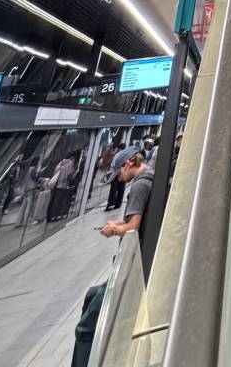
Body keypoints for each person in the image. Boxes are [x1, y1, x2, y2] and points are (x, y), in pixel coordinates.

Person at [73, 152, 155, 367]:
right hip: (135, 262)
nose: (118, 177)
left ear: (128, 164)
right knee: (92, 295)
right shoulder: (151, 177)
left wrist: (113, 230)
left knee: (85, 328)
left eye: (119, 172)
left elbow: (133, 228)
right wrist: (118, 223)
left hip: (132, 266)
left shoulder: (139, 186)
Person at [46, 153, 76, 222]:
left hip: (56, 184)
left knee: (53, 200)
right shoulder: (71, 163)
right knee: (59, 201)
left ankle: (50, 216)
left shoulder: (60, 163)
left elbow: (55, 172)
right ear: (72, 157)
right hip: (63, 184)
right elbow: (70, 173)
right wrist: (71, 180)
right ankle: (55, 216)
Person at [16, 158, 41, 228]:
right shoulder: (33, 169)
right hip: (31, 188)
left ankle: (19, 222)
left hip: (25, 189)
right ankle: (26, 222)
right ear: (36, 162)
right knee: (29, 206)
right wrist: (39, 173)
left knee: (23, 206)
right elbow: (35, 178)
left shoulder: (27, 169)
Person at [104, 143, 127, 211]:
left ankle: (110, 205)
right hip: (123, 174)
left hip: (116, 174)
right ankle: (118, 204)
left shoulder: (118, 155)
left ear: (119, 148)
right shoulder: (127, 155)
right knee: (121, 189)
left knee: (113, 189)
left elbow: (113, 164)